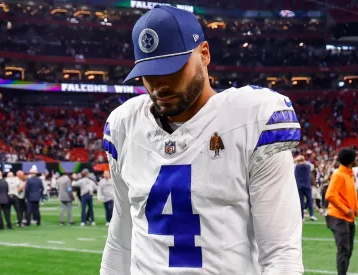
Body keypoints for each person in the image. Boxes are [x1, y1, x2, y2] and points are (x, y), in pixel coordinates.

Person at [100, 6, 303, 275]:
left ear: (204, 53)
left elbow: (281, 254)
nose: (159, 85)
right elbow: (120, 238)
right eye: (149, 73)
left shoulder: (251, 119)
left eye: (172, 69)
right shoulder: (124, 126)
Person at [325, 148, 358, 275]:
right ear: (351, 161)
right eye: (355, 157)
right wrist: (346, 210)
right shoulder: (339, 174)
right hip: (339, 217)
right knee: (344, 250)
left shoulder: (348, 174)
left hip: (347, 217)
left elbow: (347, 194)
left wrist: (355, 209)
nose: (357, 159)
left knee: (347, 251)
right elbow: (330, 195)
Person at [295, 155, 317, 221]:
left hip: (299, 186)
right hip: (307, 185)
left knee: (301, 202)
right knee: (310, 200)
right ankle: (312, 215)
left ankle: (302, 217)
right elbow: (312, 167)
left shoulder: (297, 166)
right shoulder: (308, 166)